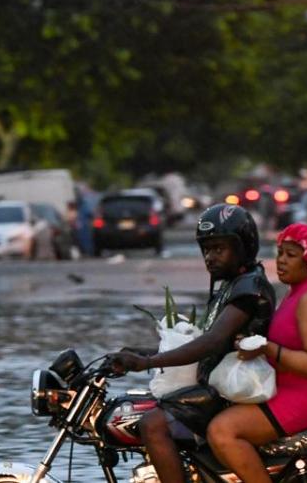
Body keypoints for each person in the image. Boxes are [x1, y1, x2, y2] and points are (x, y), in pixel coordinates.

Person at [110, 204, 275, 483]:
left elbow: (213, 342)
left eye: (219, 249)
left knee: (152, 424)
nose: (210, 257)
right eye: (206, 250)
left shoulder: (249, 288)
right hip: (217, 384)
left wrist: (149, 363)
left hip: (233, 390)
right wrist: (138, 353)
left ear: (244, 246)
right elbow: (208, 341)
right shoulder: (232, 285)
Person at [206, 223, 307, 483]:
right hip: (284, 387)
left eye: (291, 255)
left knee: (222, 431)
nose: (281, 261)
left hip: (305, 396)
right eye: (280, 253)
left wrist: (268, 348)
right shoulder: (296, 292)